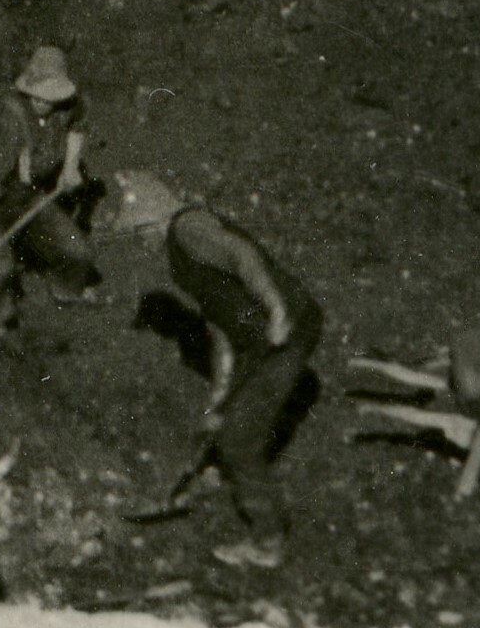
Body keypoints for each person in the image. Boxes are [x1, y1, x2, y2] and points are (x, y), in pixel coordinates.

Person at [104, 172, 326, 554]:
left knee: (239, 439)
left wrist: (275, 309)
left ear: (154, 218)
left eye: (139, 231)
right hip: (259, 341)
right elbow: (220, 328)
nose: (140, 243)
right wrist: (219, 397)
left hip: (283, 330)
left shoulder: (189, 230)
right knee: (228, 422)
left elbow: (241, 254)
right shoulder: (180, 254)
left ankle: (267, 541)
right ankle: (225, 485)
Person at [0, 45, 98, 316]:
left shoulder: (68, 104)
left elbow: (78, 124)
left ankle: (63, 292)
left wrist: (70, 168)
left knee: (78, 253)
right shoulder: (10, 121)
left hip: (28, 197)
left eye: (50, 97)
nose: (43, 103)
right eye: (37, 96)